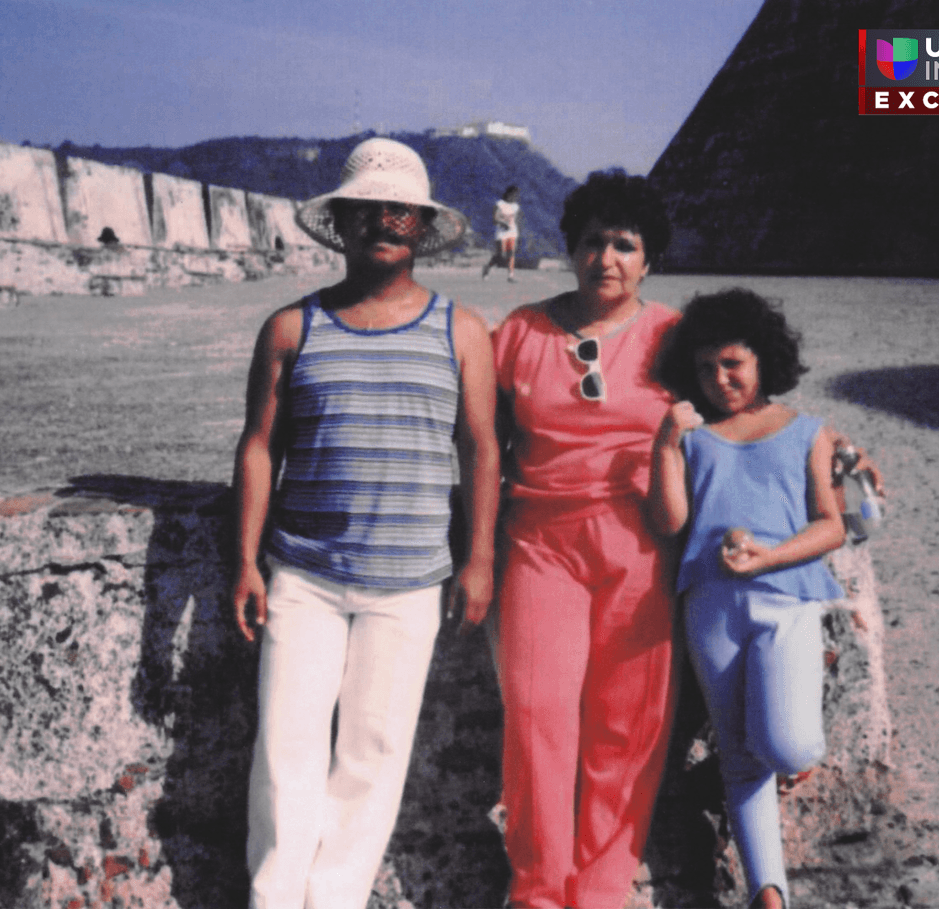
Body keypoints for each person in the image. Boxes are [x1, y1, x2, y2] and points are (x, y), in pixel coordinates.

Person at [231, 137, 500, 909]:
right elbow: (257, 447)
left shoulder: (462, 332)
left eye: (401, 209)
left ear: (420, 224)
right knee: (285, 751)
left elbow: (482, 451)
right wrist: (245, 560)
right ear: (341, 223)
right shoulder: (292, 328)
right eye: (368, 208)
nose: (384, 220)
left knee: (373, 755)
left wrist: (477, 558)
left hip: (411, 581)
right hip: (304, 575)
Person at [491, 170, 687, 907]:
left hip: (640, 547)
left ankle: (603, 886)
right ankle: (539, 888)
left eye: (625, 245)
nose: (607, 257)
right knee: (539, 715)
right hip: (541, 545)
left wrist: (832, 455)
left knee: (626, 726)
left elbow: (742, 416)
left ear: (648, 260)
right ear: (571, 249)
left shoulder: (673, 338)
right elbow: (478, 447)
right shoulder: (519, 332)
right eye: (594, 241)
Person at [647, 288, 848, 909]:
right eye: (706, 368)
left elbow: (831, 524)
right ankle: (770, 891)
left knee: (789, 746)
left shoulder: (806, 431)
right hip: (710, 608)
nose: (719, 379)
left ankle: (813, 672)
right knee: (738, 756)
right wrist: (663, 447)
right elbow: (670, 522)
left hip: (787, 601)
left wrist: (770, 555)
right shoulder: (693, 436)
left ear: (764, 360)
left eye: (733, 363)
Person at [482, 184, 521, 281]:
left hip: (512, 232)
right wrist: (503, 224)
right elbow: (494, 220)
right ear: (509, 193)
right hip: (501, 232)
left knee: (511, 254)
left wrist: (514, 230)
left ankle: (510, 276)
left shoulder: (516, 206)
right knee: (500, 256)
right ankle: (487, 268)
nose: (516, 197)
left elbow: (516, 221)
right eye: (514, 194)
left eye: (517, 195)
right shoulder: (499, 204)